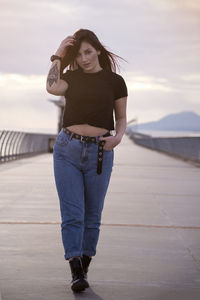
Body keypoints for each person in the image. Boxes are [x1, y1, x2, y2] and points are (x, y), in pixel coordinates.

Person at [46, 28, 128, 293]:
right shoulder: (71, 78)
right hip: (67, 149)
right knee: (73, 215)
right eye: (79, 54)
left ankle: (85, 262)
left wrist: (118, 137)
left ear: (98, 51)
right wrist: (58, 54)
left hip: (100, 152)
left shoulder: (115, 81)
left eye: (88, 52)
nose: (84, 58)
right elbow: (51, 86)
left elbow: (122, 118)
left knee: (92, 216)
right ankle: (76, 270)